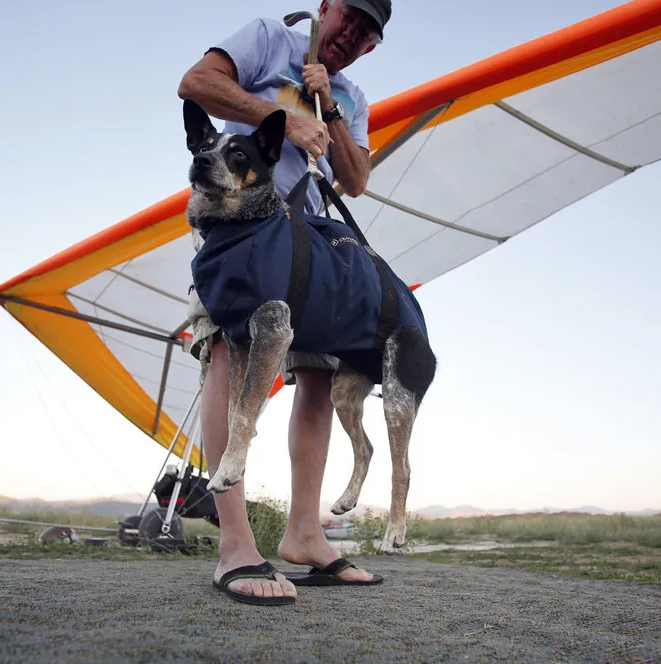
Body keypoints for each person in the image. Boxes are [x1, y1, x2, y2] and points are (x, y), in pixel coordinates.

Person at [177, 0, 391, 603]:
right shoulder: (270, 38)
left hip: (310, 240)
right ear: (324, 7)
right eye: (348, 14)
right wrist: (284, 119)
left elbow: (356, 179)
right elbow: (196, 83)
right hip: (238, 224)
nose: (351, 33)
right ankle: (236, 543)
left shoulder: (353, 97)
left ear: (372, 46)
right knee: (231, 354)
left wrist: (329, 109)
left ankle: (304, 535)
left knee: (320, 373)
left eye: (366, 32)